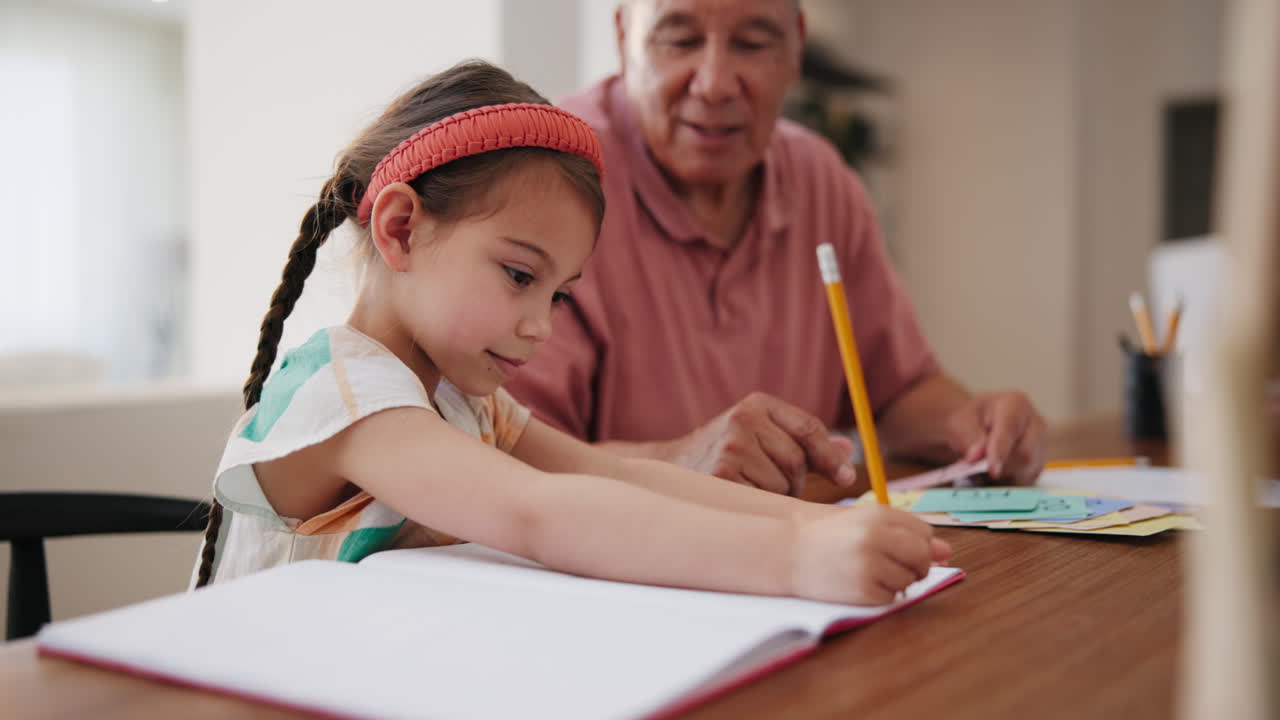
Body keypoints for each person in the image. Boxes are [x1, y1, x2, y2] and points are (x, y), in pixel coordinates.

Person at [189, 60, 949, 606]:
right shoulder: (347, 393)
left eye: (560, 296)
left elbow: (606, 475)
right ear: (400, 229)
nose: (539, 327)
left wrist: (823, 521)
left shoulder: (461, 397)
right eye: (521, 277)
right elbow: (537, 511)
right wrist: (795, 559)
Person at [506, 0, 1048, 495]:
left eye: (753, 43)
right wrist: (680, 460)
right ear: (625, 38)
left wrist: (973, 426)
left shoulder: (822, 180)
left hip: (798, 559)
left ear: (796, 49)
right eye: (681, 39)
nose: (715, 84)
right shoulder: (553, 179)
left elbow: (896, 393)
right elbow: (502, 449)